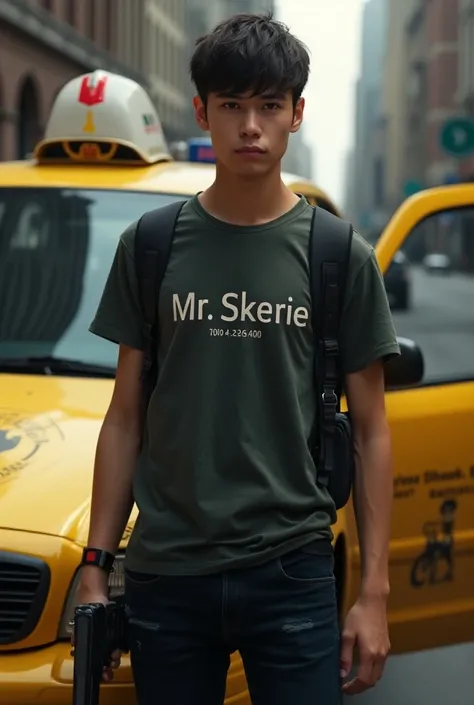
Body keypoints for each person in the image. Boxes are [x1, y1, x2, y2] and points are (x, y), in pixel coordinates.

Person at [76, 12, 399, 705]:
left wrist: (373, 592)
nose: (250, 125)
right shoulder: (152, 245)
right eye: (231, 105)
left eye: (269, 105)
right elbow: (125, 417)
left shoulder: (338, 256)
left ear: (296, 114)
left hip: (292, 568)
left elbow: (372, 430)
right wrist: (96, 566)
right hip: (169, 570)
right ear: (203, 111)